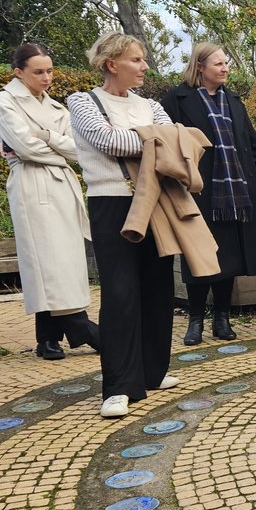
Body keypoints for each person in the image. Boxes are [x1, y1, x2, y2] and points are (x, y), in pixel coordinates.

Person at [66, 32, 180, 417]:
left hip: (155, 202)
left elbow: (173, 141)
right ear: (111, 64)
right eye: (136, 60)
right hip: (111, 202)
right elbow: (106, 141)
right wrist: (151, 140)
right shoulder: (83, 102)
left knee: (157, 285)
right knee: (120, 292)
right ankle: (118, 385)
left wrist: (146, 140)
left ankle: (153, 370)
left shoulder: (151, 104)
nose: (144, 66)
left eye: (143, 59)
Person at [0, 43, 100, 360]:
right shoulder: (5, 101)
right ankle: (83, 329)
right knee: (47, 260)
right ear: (19, 72)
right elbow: (24, 148)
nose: (46, 77)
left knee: (63, 260)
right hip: (31, 183)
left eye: (50, 70)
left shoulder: (57, 109)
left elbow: (80, 149)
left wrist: (49, 137)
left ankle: (47, 338)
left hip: (61, 184)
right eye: (38, 71)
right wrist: (56, 147)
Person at [162, 42, 256, 345]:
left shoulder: (233, 101)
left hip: (236, 194)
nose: (225, 69)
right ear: (200, 67)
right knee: (199, 255)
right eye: (219, 64)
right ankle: (195, 320)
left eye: (226, 64)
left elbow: (251, 141)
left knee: (229, 257)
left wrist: (254, 170)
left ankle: (222, 319)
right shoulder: (177, 99)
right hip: (199, 192)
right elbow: (167, 142)